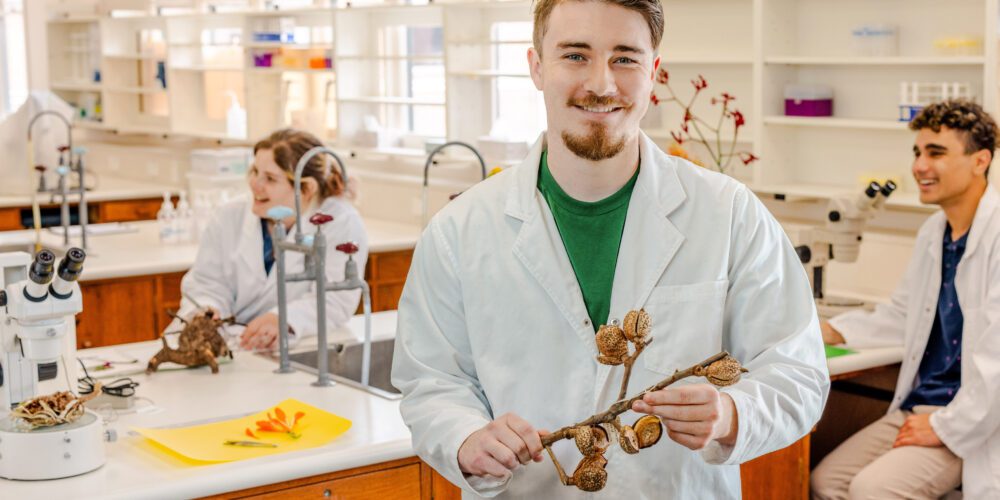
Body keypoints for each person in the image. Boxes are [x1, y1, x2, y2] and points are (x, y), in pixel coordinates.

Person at [391, 0, 829, 497]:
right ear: (537, 67)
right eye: (575, 55)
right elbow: (431, 381)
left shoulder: (729, 214)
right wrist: (464, 436)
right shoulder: (459, 230)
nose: (601, 84)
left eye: (624, 58)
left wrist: (733, 414)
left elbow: (798, 373)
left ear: (653, 71)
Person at [811, 100, 1000, 499]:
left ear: (980, 160)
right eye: (917, 152)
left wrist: (944, 426)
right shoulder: (934, 232)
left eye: (936, 153)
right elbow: (903, 315)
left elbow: (996, 365)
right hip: (918, 407)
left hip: (972, 420)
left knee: (871, 490)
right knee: (826, 483)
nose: (919, 166)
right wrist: (830, 330)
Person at [167, 129, 368, 350]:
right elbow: (207, 282)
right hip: (225, 344)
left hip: (295, 345)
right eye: (255, 171)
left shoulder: (340, 222)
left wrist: (283, 318)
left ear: (306, 188)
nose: (254, 184)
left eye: (270, 179)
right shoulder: (229, 215)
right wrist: (207, 309)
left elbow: (336, 301)